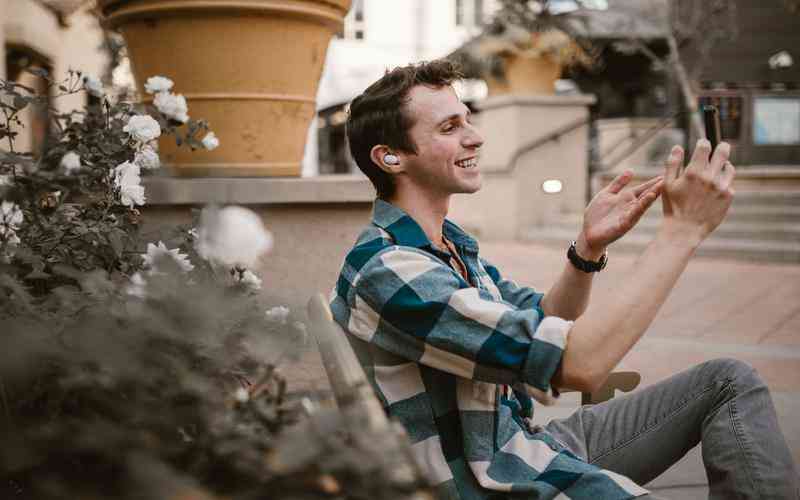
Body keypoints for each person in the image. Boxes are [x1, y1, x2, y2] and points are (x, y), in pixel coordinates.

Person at [329, 59, 798, 499]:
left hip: (519, 440)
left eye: (468, 119)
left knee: (728, 381)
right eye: (450, 128)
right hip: (490, 476)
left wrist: (587, 250)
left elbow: (546, 319)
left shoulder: (445, 245)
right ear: (390, 157)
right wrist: (683, 232)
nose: (475, 137)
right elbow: (580, 365)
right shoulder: (390, 270)